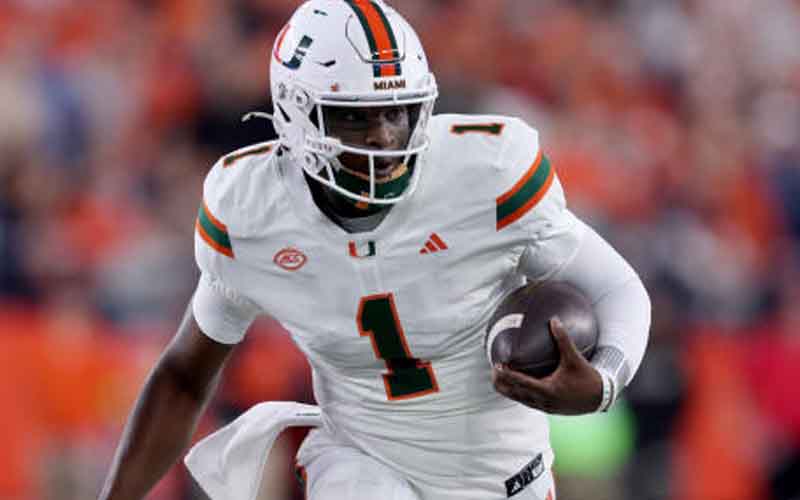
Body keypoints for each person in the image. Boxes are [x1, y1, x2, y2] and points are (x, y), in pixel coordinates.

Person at [98, 1, 651, 499]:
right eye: (354, 117)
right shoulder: (251, 212)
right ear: (294, 113)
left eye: (397, 112)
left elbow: (618, 287)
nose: (385, 138)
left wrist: (604, 382)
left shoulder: (486, 174)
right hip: (360, 461)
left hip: (499, 475)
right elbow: (185, 373)